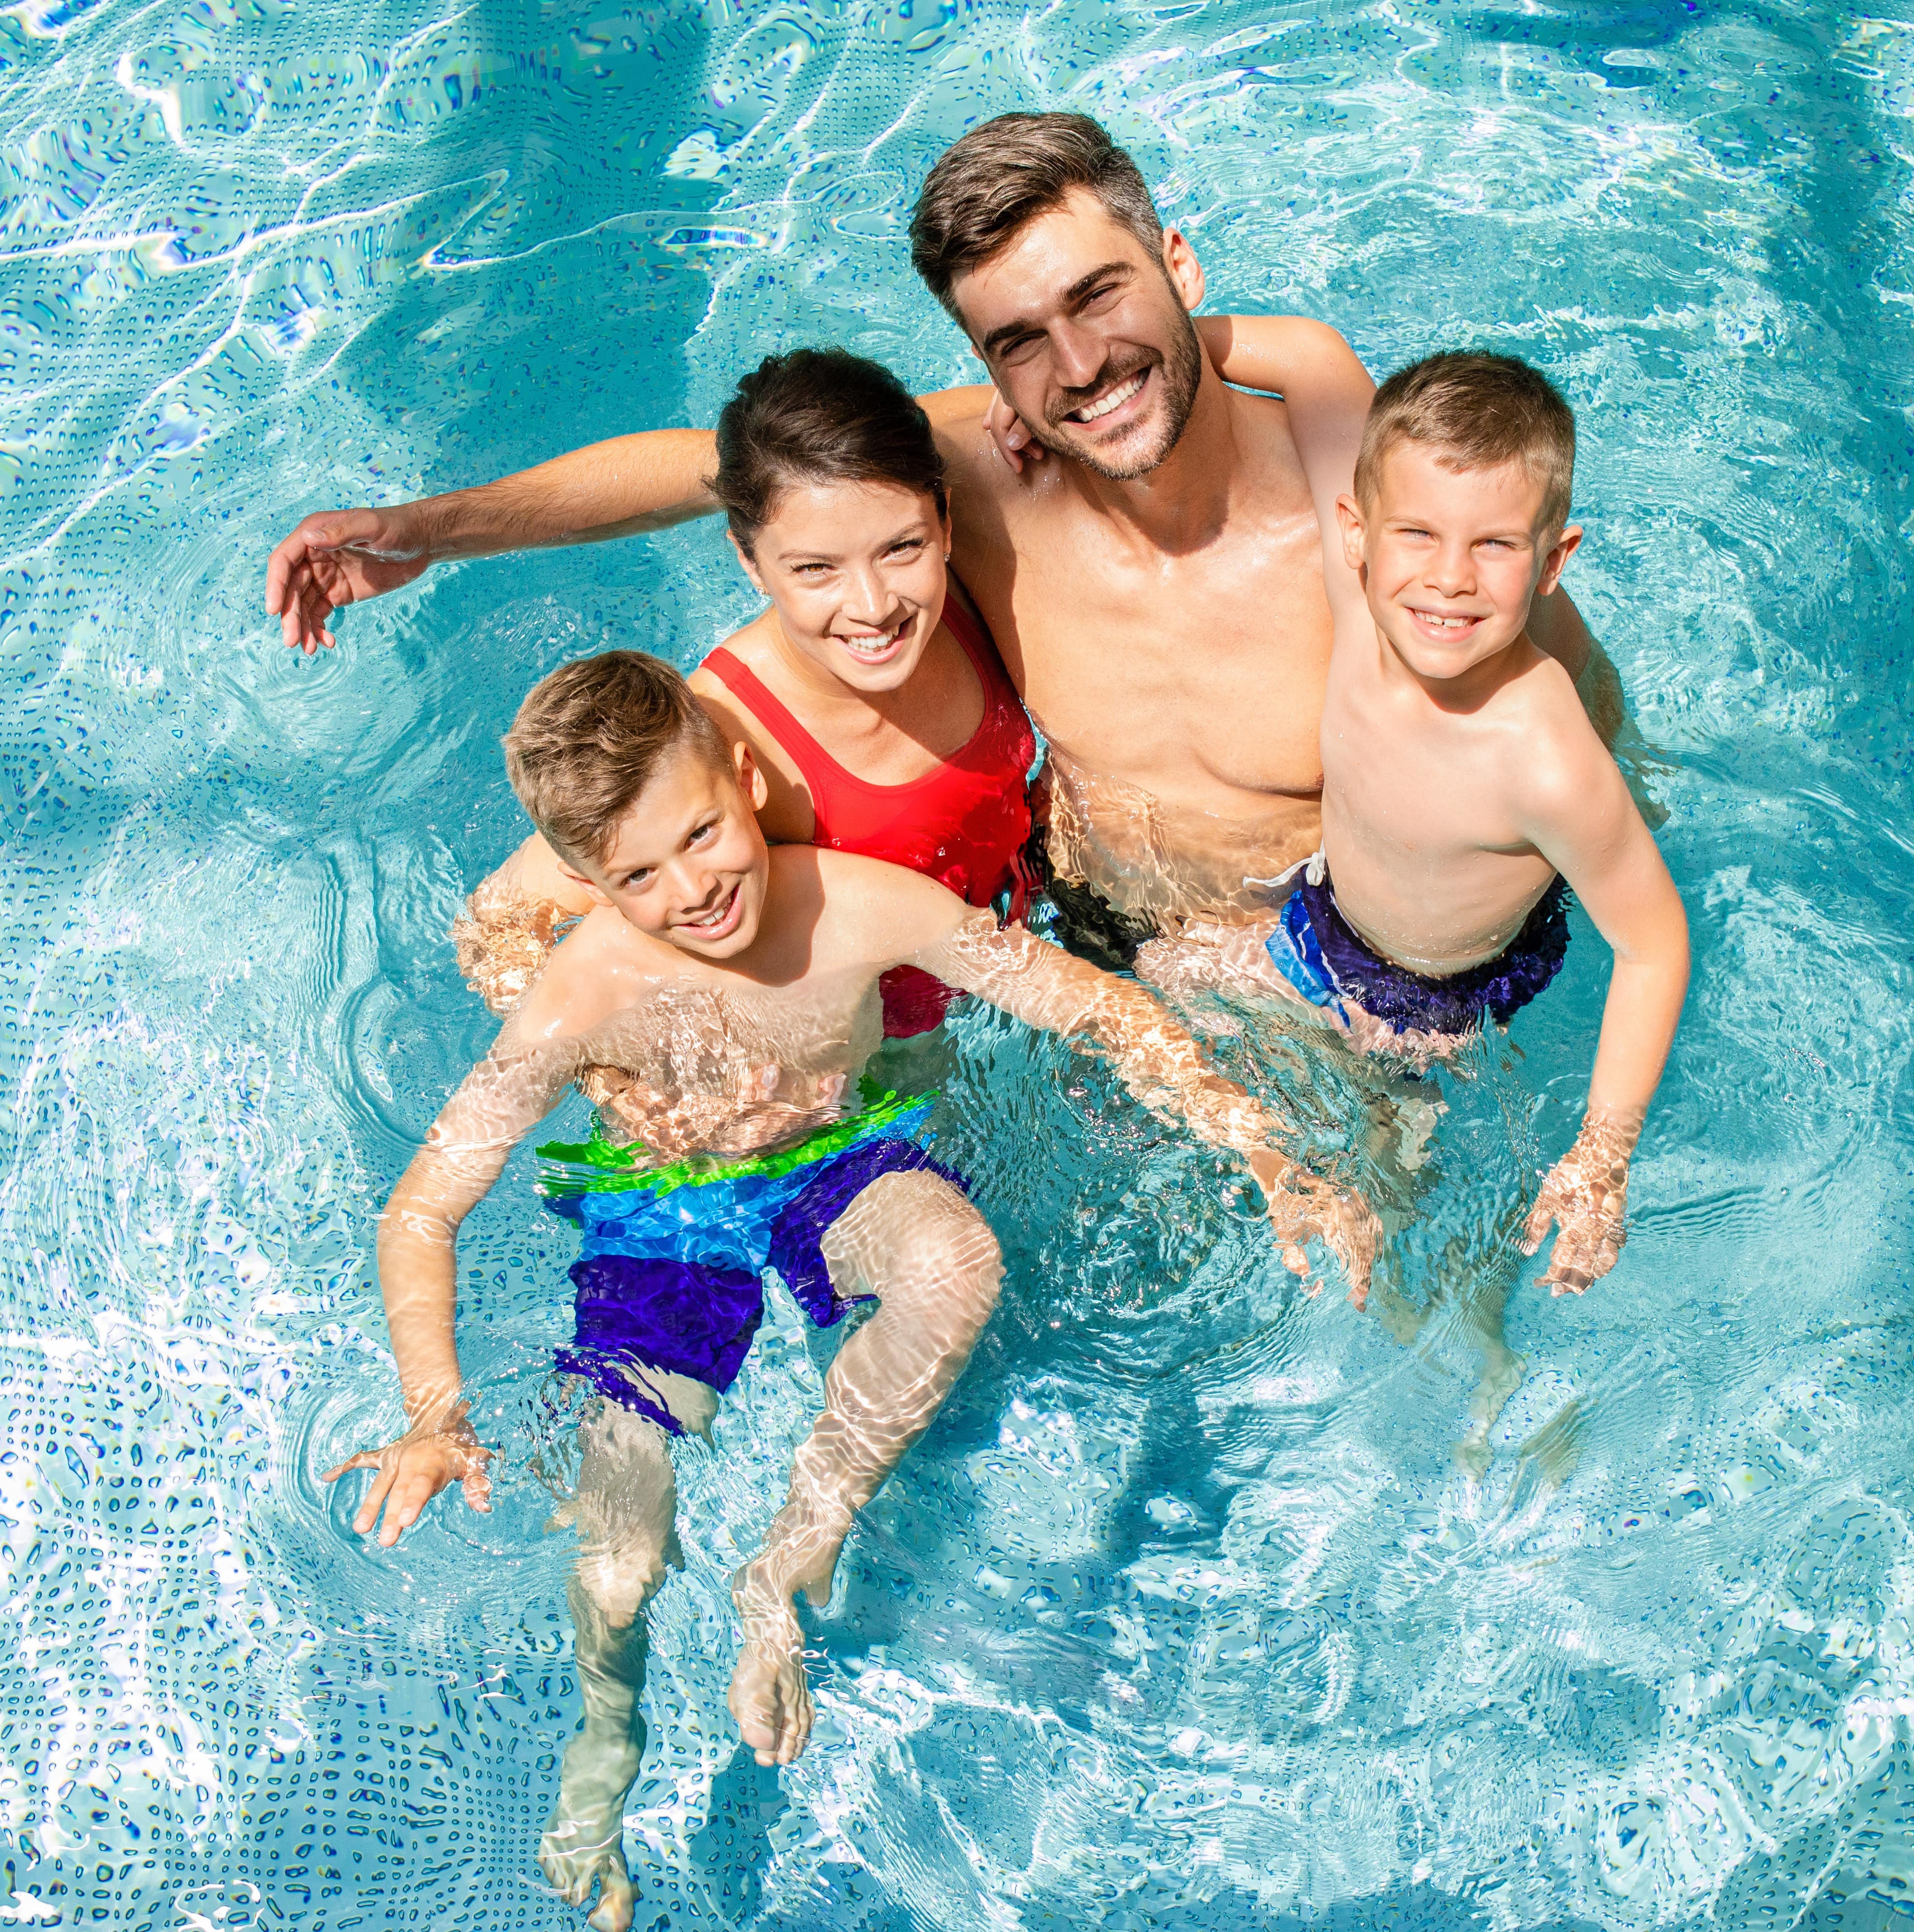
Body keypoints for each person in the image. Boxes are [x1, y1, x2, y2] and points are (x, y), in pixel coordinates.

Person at [326, 651, 1375, 1932]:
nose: (692, 889)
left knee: (956, 1261)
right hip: (668, 1216)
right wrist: (434, 1408)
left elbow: (1098, 1011)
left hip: (831, 1160)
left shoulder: (858, 909)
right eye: (635, 877)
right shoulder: (583, 991)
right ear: (587, 888)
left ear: (747, 779)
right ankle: (601, 1770)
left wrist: (1263, 1146)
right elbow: (423, 1207)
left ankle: (789, 1563)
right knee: (618, 1557)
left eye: (703, 836)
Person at [263, 113, 1614, 947]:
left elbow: (1550, 687)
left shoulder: (1354, 497)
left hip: (1339, 960)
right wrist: (430, 530)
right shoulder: (975, 474)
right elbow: (715, 465)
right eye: (1019, 340)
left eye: (1101, 297)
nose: (1079, 367)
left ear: (1183, 270)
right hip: (1081, 943)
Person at [1124, 327, 1688, 1296]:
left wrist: (1602, 1155)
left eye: (1495, 545)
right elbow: (1305, 361)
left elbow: (1651, 944)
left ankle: (1469, 1354)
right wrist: (1094, 375)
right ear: (1354, 533)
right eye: (1417, 534)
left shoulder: (1540, 756)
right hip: (1317, 922)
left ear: (1554, 559)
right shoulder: (1357, 606)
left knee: (1379, 1221)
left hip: (1429, 1004)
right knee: (1141, 987)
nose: (1448, 577)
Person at [457, 347, 1038, 1039]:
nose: (874, 606)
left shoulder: (969, 592)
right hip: (873, 1061)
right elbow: (496, 926)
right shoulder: (723, 736)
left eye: (901, 548)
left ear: (944, 520)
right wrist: (619, 1070)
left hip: (1017, 951)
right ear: (750, 562)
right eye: (816, 569)